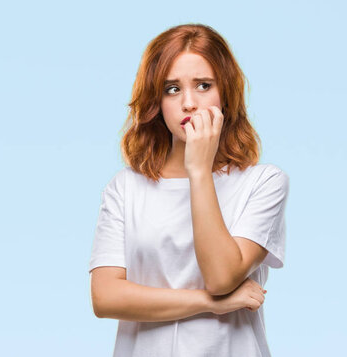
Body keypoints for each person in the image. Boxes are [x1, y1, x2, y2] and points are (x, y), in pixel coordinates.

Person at [88, 23, 290, 357]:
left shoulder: (263, 183)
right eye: (172, 89)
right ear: (157, 101)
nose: (188, 103)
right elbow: (106, 297)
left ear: (225, 94)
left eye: (203, 85)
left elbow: (221, 277)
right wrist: (210, 303)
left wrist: (199, 170)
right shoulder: (125, 188)